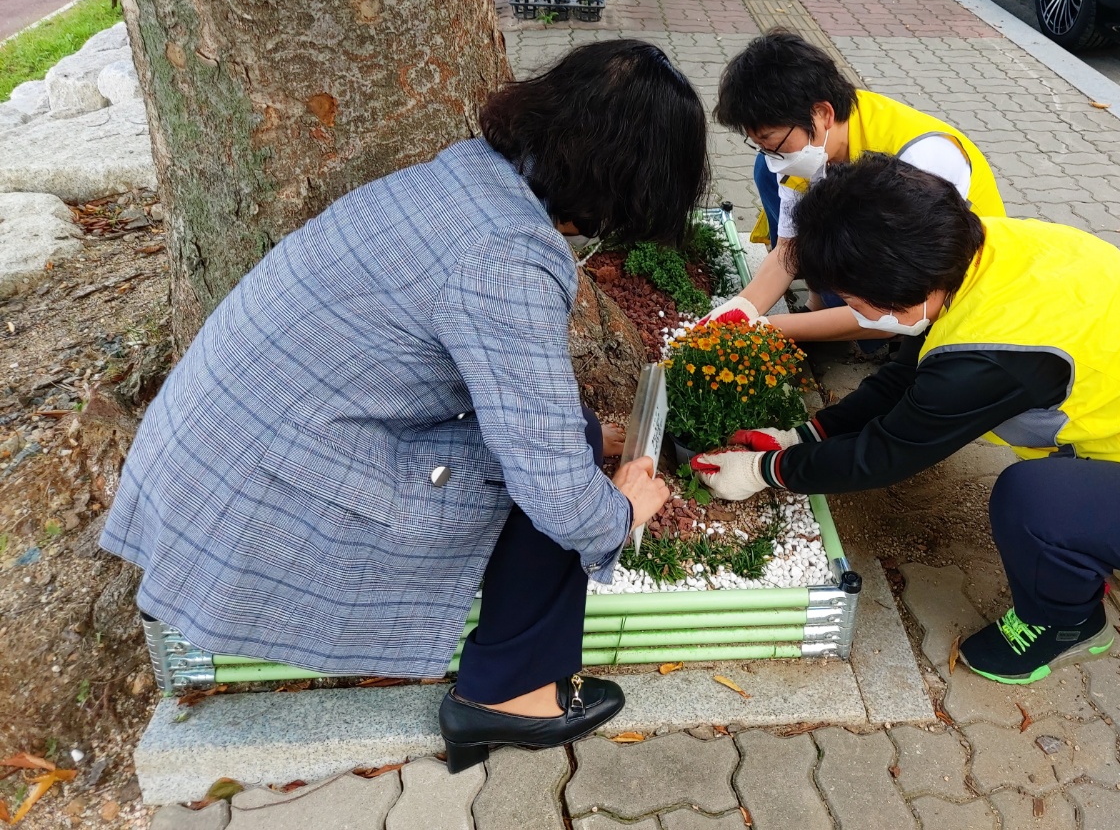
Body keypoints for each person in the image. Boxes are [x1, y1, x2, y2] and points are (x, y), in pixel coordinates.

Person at [100, 40, 703, 768]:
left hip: (213, 451)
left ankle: (512, 673)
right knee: (561, 477)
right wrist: (621, 511)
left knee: (565, 436)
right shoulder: (509, 257)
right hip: (262, 500)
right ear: (630, 187)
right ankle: (505, 699)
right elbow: (554, 492)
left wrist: (578, 434)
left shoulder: (467, 175)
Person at [693, 156, 1120, 685]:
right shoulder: (981, 251)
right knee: (1059, 491)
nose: (854, 314)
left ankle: (1067, 623)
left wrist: (766, 471)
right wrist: (812, 433)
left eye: (855, 303)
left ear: (904, 285)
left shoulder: (992, 353)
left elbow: (887, 454)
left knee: (1032, 501)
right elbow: (909, 377)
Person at [705, 30, 1006, 347]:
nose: (772, 155)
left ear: (822, 114)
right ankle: (820, 306)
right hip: (891, 270)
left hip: (949, 295)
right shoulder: (815, 141)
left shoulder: (920, 160)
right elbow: (788, 252)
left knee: (874, 316)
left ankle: (865, 333)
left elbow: (900, 311)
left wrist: (770, 327)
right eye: (760, 144)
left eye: (772, 141)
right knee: (767, 171)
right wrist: (740, 310)